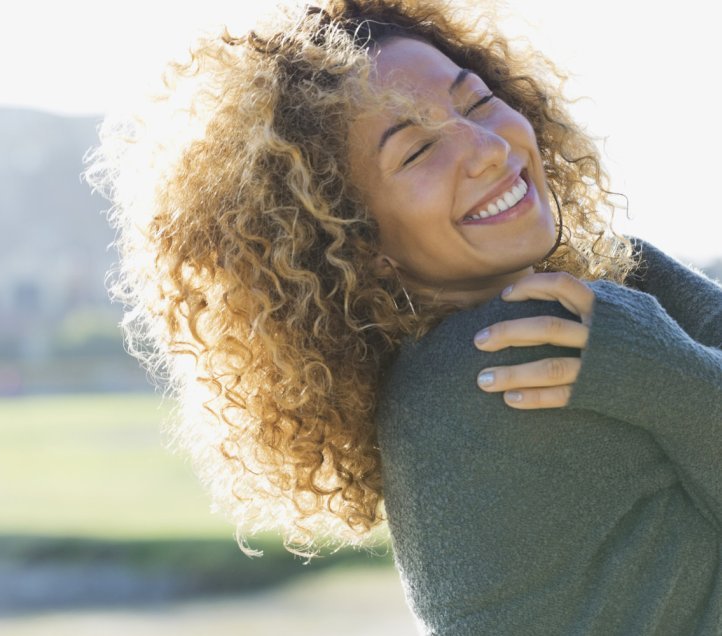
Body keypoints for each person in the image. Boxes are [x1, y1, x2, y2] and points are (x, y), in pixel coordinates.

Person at [86, 0, 722, 633]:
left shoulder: (594, 299)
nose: (489, 150)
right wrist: (666, 374)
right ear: (360, 241)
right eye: (417, 152)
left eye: (476, 103)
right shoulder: (492, 367)